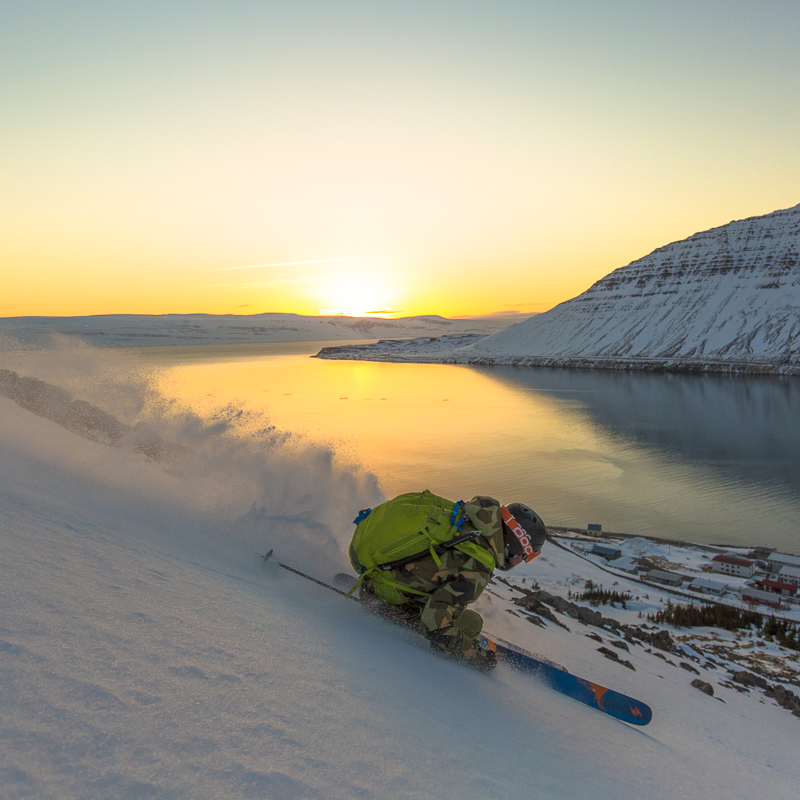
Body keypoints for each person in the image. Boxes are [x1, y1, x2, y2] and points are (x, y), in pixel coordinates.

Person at [351, 493, 547, 670]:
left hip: (374, 572)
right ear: (517, 542)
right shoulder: (479, 564)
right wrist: (477, 658)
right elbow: (435, 625)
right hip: (385, 596)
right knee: (472, 623)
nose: (521, 560)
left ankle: (378, 590)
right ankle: (389, 609)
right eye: (526, 555)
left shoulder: (470, 517)